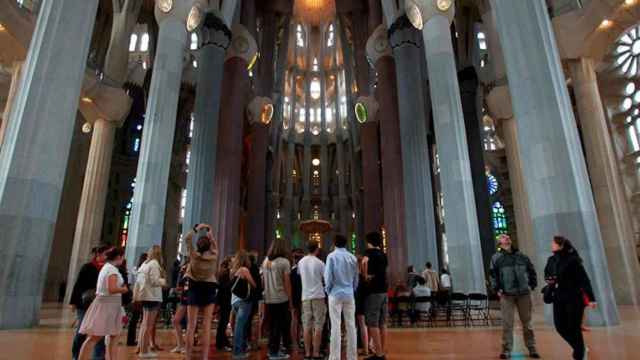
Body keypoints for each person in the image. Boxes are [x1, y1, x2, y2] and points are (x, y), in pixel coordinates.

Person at [544, 236, 596, 360]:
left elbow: (584, 279)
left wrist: (591, 298)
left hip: (574, 298)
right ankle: (580, 347)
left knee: (574, 327)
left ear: (560, 245)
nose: (551, 244)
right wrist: (549, 280)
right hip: (558, 297)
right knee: (560, 326)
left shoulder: (572, 260)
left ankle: (579, 355)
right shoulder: (551, 260)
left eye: (553, 243)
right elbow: (547, 274)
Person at [489, 234, 540, 359]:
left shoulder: (521, 256)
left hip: (524, 293)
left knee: (527, 323)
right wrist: (497, 289)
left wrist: (532, 285)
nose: (506, 237)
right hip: (507, 294)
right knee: (507, 324)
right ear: (499, 243)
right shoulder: (496, 258)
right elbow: (492, 275)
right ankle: (506, 350)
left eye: (507, 236)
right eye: (502, 237)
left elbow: (531, 270)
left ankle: (532, 347)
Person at [77, 248, 129, 360]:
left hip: (110, 304)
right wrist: (124, 289)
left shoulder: (107, 268)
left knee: (114, 336)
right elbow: (112, 289)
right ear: (118, 257)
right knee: (95, 337)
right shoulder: (112, 270)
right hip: (107, 305)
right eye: (123, 257)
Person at [183, 223, 218, 360]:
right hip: (209, 287)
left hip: (194, 287)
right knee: (207, 325)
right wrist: (210, 233)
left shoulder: (193, 255)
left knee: (191, 326)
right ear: (209, 246)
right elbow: (214, 245)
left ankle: (188, 356)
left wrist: (197, 228)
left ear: (197, 246)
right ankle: (204, 357)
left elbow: (187, 239)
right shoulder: (214, 256)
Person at [71, 245, 112, 360]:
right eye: (106, 254)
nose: (108, 256)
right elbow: (78, 285)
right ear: (99, 255)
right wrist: (73, 302)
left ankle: (99, 357)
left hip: (100, 303)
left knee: (100, 331)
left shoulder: (108, 269)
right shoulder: (87, 267)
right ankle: (76, 355)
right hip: (85, 303)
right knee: (82, 331)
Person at [324, 234, 359, 360]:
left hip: (335, 293)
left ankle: (335, 357)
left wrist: (328, 291)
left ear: (334, 243)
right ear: (346, 243)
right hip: (349, 294)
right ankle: (352, 357)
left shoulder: (331, 256)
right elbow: (356, 278)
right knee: (351, 325)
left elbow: (328, 277)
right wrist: (352, 289)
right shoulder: (352, 257)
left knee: (335, 326)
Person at [262, 238, 293, 360]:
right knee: (279, 325)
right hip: (281, 298)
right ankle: (274, 352)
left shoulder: (266, 261)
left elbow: (263, 281)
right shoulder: (284, 262)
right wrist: (290, 300)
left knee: (272, 325)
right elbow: (287, 283)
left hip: (269, 298)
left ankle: (271, 349)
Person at [135, 245, 167, 358]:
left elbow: (139, 280)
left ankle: (141, 347)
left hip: (145, 295)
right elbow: (154, 281)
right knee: (148, 325)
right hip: (152, 297)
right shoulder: (154, 264)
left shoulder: (145, 264)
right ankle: (144, 351)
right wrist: (163, 281)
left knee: (144, 324)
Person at [297, 241, 327, 360]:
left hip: (305, 296)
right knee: (318, 325)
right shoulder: (320, 263)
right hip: (318, 296)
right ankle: (316, 353)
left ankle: (307, 353)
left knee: (306, 325)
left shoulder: (301, 262)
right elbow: (325, 278)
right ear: (317, 249)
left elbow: (300, 276)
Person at [362, 232, 388, 360]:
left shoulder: (369, 254)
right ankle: (382, 351)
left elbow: (364, 270)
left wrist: (366, 276)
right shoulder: (383, 254)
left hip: (373, 292)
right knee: (382, 323)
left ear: (369, 241)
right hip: (384, 291)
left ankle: (379, 354)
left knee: (372, 323)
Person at [230, 250, 257, 359]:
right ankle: (238, 352)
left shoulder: (232, 270)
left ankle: (240, 349)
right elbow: (253, 284)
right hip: (243, 301)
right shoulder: (244, 270)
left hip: (234, 301)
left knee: (240, 325)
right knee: (240, 327)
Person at [127, 253, 147, 347]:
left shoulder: (136, 270)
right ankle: (137, 340)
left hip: (136, 296)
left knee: (134, 320)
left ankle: (132, 339)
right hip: (140, 297)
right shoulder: (142, 271)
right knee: (138, 319)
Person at [245, 251, 263, 351]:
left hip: (247, 297)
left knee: (248, 320)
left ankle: (248, 342)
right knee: (252, 321)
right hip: (253, 297)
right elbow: (257, 284)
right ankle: (252, 343)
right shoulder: (254, 268)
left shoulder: (246, 268)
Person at [170, 261, 189, 354]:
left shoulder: (193, 275)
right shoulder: (184, 275)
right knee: (175, 321)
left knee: (190, 324)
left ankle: (186, 346)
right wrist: (180, 274)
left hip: (190, 301)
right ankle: (180, 345)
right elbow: (179, 287)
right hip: (184, 300)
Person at [215, 257, 233, 351]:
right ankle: (220, 343)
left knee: (223, 322)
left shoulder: (222, 273)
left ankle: (224, 342)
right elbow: (225, 287)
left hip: (223, 300)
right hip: (225, 300)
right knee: (223, 323)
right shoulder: (226, 274)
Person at [290, 248, 304, 352]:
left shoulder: (294, 270)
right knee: (295, 320)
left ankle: (298, 341)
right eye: (296, 257)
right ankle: (295, 342)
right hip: (297, 297)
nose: (297, 259)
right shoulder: (292, 270)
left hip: (301, 297)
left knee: (298, 321)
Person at [355, 256, 369, 357]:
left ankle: (362, 349)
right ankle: (366, 348)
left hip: (357, 302)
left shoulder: (355, 278)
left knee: (358, 326)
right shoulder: (365, 278)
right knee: (364, 326)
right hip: (365, 303)